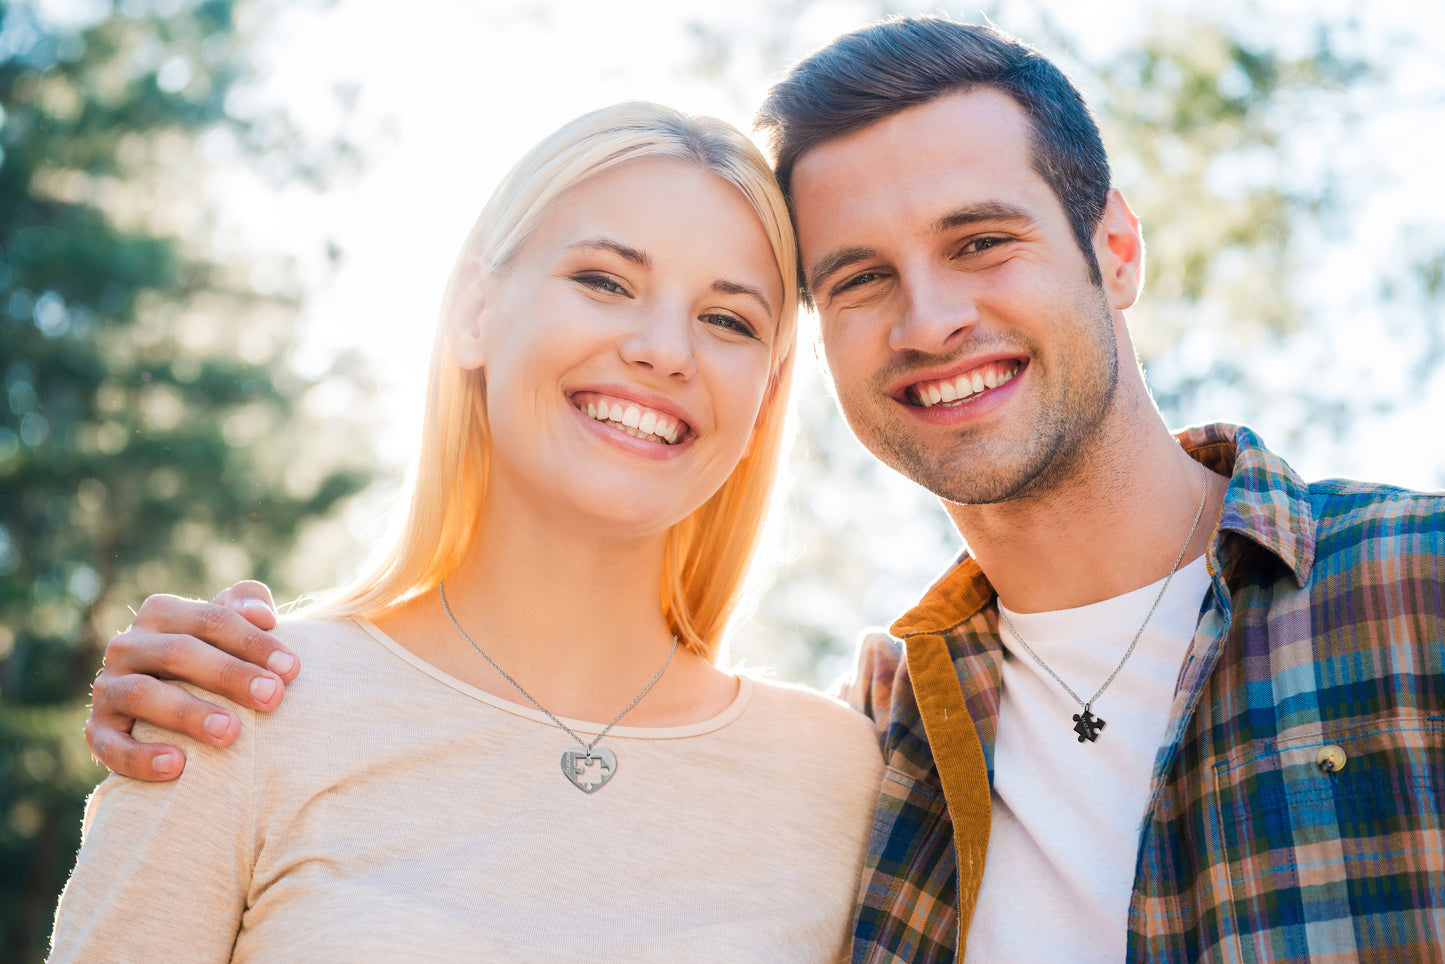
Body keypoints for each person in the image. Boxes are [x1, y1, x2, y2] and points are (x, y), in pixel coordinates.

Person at [80, 16, 1445, 964]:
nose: (929, 319)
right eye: (855, 279)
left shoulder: (1408, 590)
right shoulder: (894, 741)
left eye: (983, 241)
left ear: (1116, 249)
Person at [49, 102, 885, 963]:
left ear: (767, 394)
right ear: (475, 312)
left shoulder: (848, 777)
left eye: (729, 320)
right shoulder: (234, 705)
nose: (665, 349)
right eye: (604, 280)